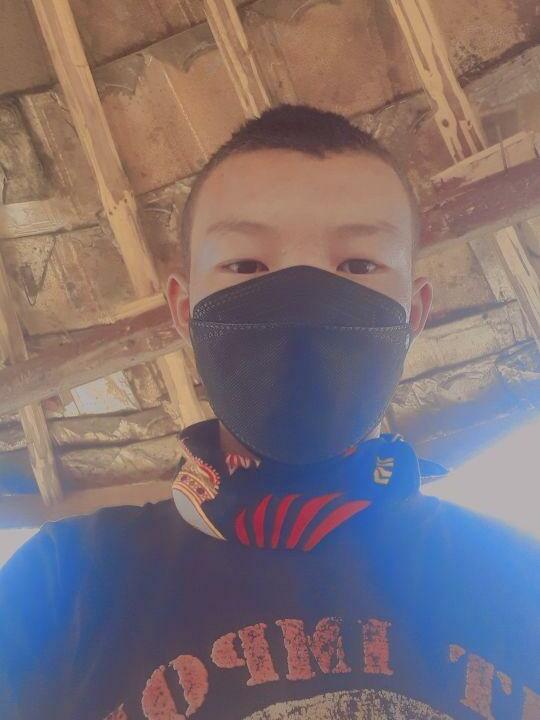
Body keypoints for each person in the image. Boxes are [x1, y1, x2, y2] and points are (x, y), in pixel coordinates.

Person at [0, 104, 538, 720]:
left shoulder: (520, 578)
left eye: (358, 265)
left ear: (413, 312)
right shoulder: (59, 586)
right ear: (184, 308)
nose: (303, 301)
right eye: (247, 265)